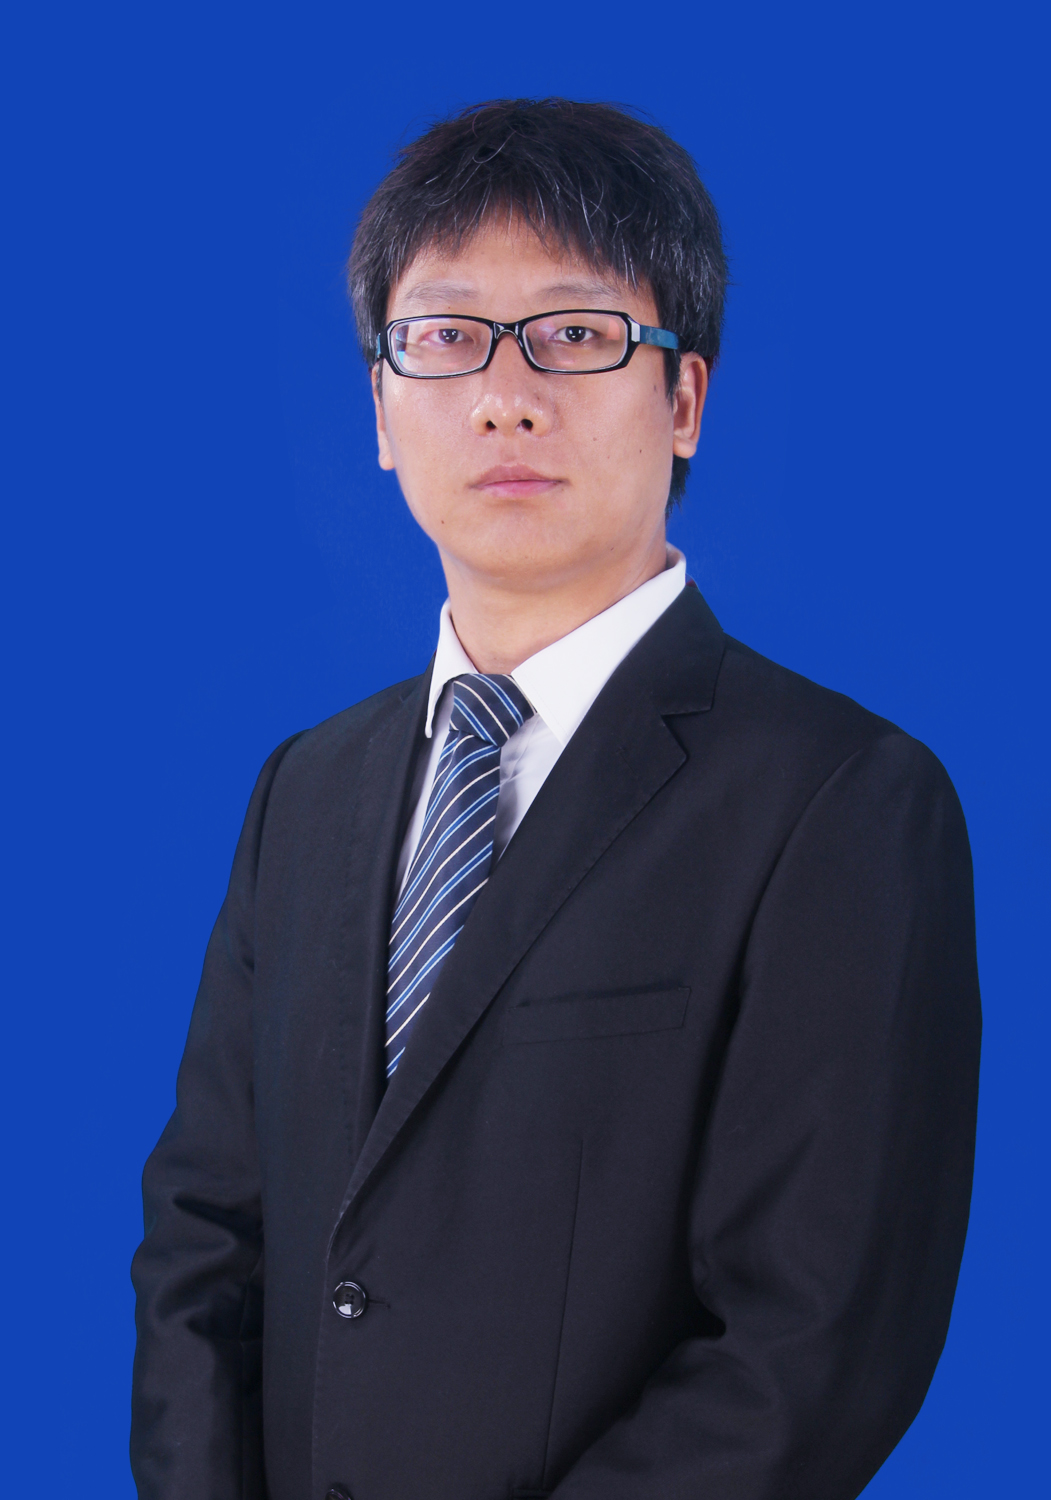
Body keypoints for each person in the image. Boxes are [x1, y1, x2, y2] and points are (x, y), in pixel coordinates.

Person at [130, 98, 981, 1500]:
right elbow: (204, 1238)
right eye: (445, 336)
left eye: (576, 335)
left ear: (684, 399)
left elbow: (810, 1346)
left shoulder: (843, 801)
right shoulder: (305, 792)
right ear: (382, 409)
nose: (505, 396)